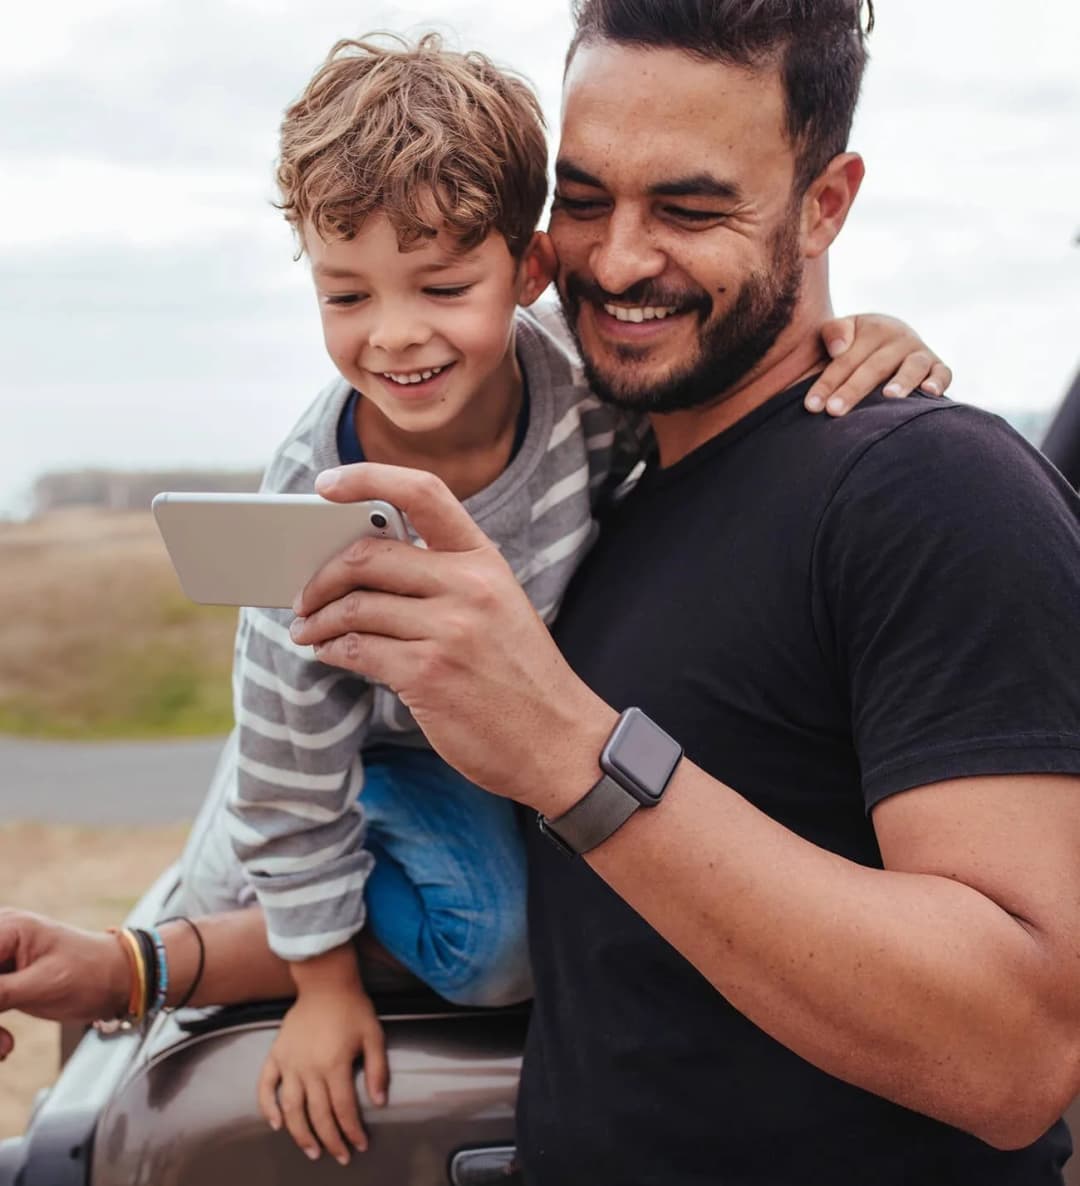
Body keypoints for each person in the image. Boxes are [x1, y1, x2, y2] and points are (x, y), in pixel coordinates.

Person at [4, 5, 1041, 1182]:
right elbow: (480, 889)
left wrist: (570, 752)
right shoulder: (607, 452)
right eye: (586, 201)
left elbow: (1019, 1054)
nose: (618, 261)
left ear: (825, 207)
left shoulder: (920, 484)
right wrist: (144, 968)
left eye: (693, 208)